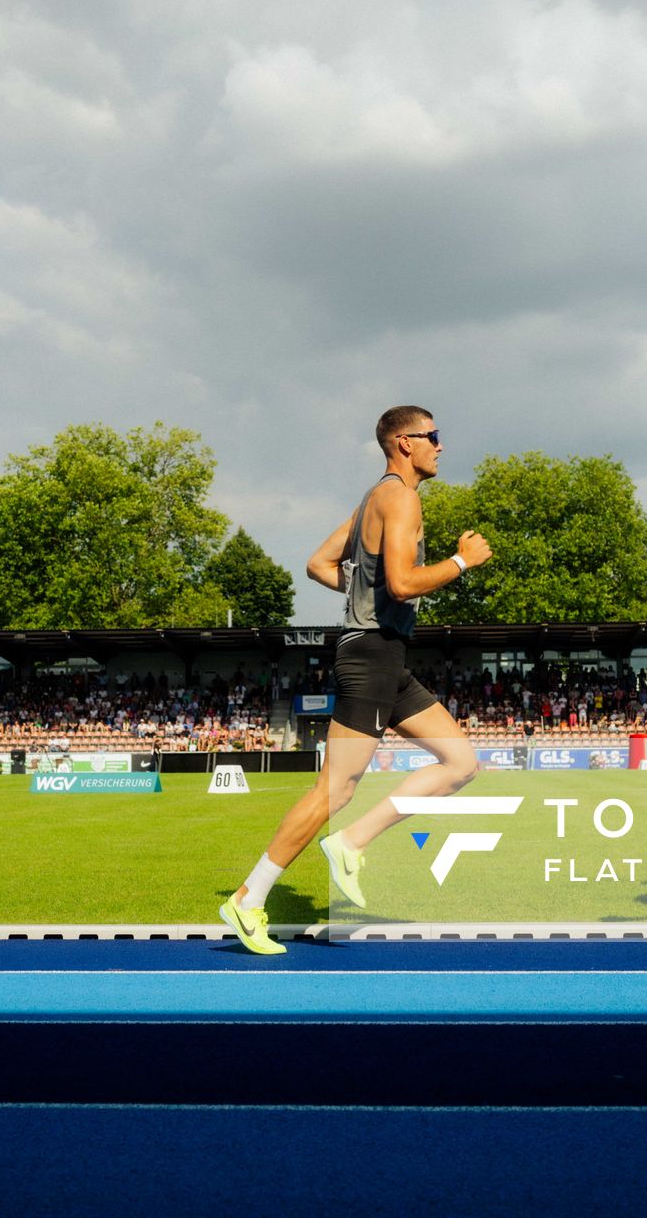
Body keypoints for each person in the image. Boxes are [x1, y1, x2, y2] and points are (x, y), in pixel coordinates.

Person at [219, 406, 493, 953]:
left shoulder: (373, 499)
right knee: (335, 789)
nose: (441, 445)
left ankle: (350, 843)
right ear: (403, 443)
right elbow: (402, 582)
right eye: (432, 436)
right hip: (370, 654)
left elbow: (320, 563)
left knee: (461, 762)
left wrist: (360, 592)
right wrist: (462, 562)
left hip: (387, 658)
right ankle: (248, 900)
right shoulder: (399, 497)